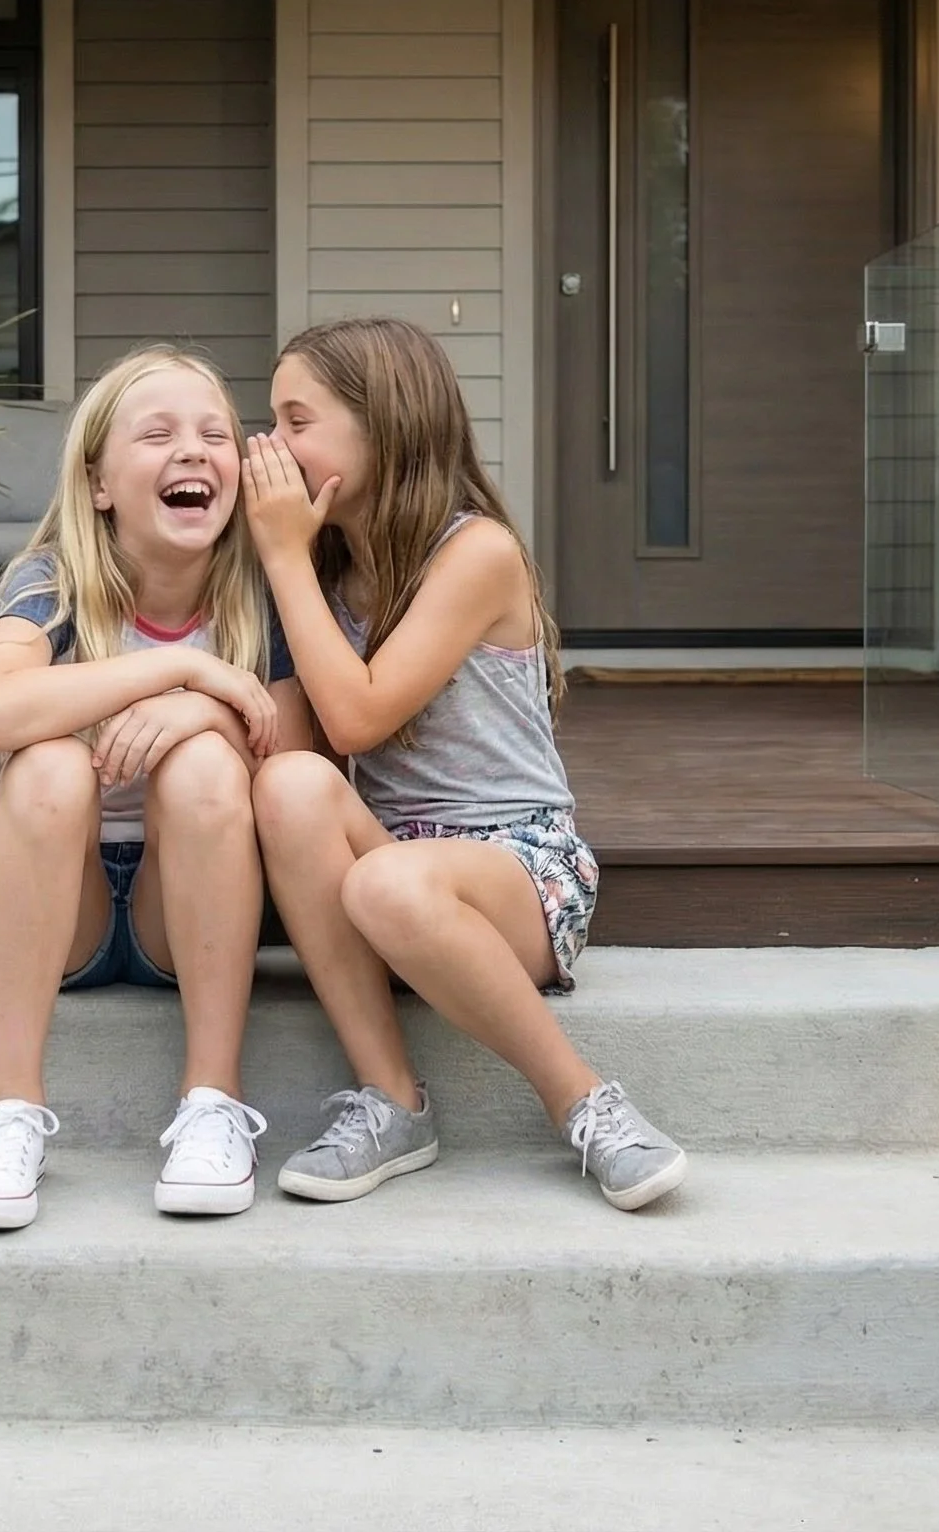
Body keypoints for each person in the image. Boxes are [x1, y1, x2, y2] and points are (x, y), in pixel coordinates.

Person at [242, 316, 687, 1212]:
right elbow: (300, 744)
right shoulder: (320, 575)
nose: (270, 447)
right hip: (392, 872)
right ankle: (394, 1103)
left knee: (387, 886)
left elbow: (358, 717)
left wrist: (283, 557)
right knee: (289, 787)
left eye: (296, 421)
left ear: (386, 423)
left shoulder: (475, 551)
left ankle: (585, 1102)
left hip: (518, 872)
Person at [0, 345, 316, 1231]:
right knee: (47, 761)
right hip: (52, 899)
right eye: (158, 434)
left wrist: (201, 714)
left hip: (178, 903)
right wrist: (184, 671)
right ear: (101, 483)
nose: (192, 450)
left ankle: (213, 1103)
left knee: (202, 762)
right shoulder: (52, 581)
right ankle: (8, 1112)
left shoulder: (259, 594)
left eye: (214, 434)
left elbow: (301, 738)